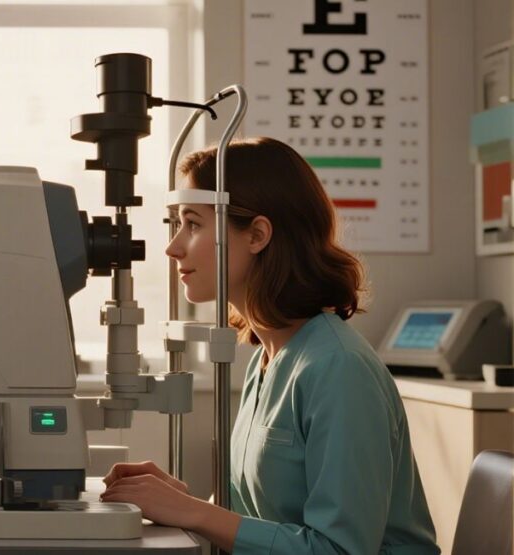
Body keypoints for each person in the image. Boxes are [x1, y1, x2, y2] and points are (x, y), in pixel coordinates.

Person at [100, 137, 439, 554]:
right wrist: (177, 499)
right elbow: (260, 520)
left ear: (257, 235)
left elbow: (340, 550)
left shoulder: (339, 369)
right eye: (177, 225)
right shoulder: (268, 358)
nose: (173, 247)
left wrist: (193, 512)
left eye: (193, 224)